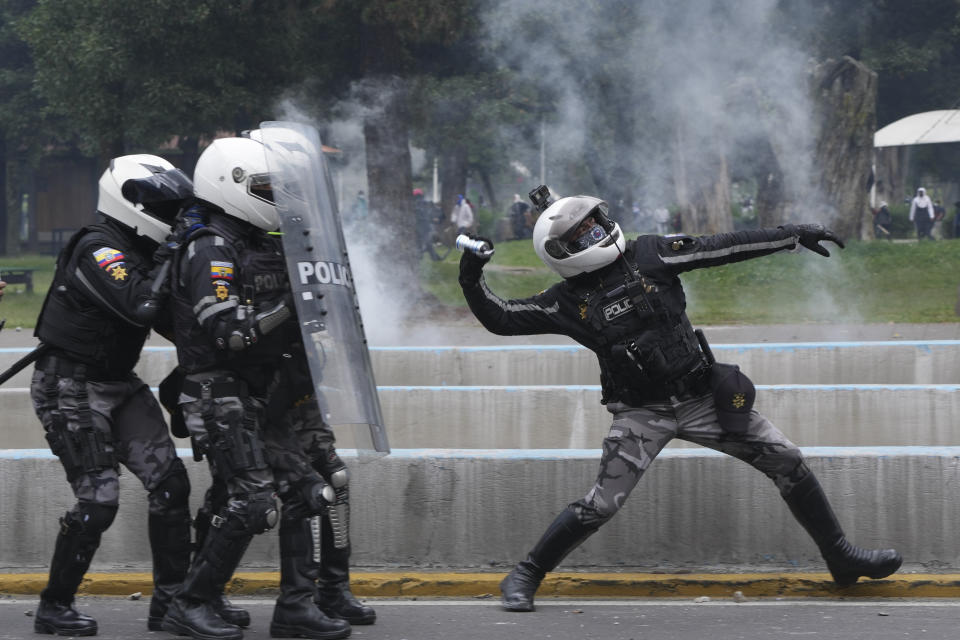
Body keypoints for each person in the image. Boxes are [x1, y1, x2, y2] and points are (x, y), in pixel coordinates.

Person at [457, 191, 903, 613]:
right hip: (640, 414)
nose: (597, 232)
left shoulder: (651, 254)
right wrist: (471, 273)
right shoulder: (565, 302)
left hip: (702, 396)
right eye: (583, 233)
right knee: (601, 503)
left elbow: (722, 246)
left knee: (786, 458)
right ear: (560, 252)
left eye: (597, 224)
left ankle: (841, 557)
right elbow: (501, 317)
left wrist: (794, 235)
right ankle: (525, 575)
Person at [160, 136, 350, 640]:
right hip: (216, 392)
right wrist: (296, 302)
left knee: (309, 489)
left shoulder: (260, 242)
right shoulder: (210, 248)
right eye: (267, 187)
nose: (278, 197)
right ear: (232, 185)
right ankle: (191, 601)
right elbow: (231, 332)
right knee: (251, 500)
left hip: (261, 390)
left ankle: (296, 609)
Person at [29, 155, 195, 635]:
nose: (170, 217)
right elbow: (141, 306)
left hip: (118, 382)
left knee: (171, 485)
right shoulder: (98, 248)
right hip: (70, 386)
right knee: (98, 500)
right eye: (164, 207)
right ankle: (53, 606)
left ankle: (171, 603)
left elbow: (172, 322)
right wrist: (172, 252)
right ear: (131, 202)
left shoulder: (143, 251)